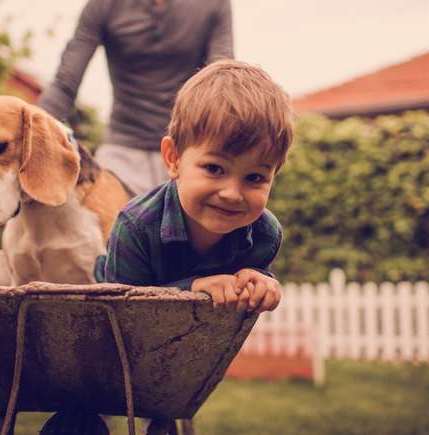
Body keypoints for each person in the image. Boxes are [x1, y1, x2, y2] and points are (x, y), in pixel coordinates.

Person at [96, 59, 294, 313]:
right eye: (214, 169)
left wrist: (260, 282)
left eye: (254, 177)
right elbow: (123, 315)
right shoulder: (135, 227)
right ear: (174, 158)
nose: (232, 194)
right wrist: (192, 288)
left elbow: (231, 321)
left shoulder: (265, 234)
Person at [38, 0, 234, 196]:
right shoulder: (104, 5)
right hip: (121, 154)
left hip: (187, 153)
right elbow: (65, 85)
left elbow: (220, 83)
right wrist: (34, 136)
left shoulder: (214, 4)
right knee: (108, 217)